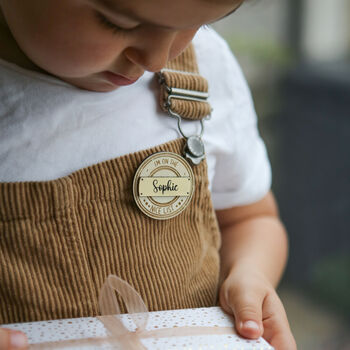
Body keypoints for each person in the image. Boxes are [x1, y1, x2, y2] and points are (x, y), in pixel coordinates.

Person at [0, 0, 297, 349]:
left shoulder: (206, 68)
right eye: (118, 24)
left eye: (197, 24)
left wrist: (251, 272)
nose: (156, 59)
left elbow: (251, 217)